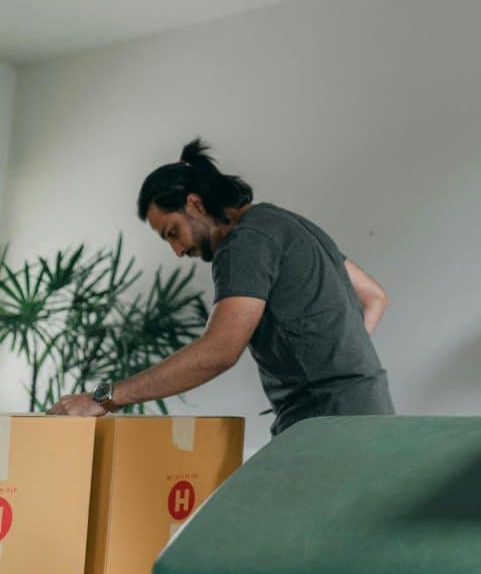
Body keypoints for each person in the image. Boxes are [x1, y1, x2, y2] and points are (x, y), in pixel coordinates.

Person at [49, 139, 395, 435]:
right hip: (369, 411)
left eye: (172, 232)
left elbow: (219, 351)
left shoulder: (244, 242)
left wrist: (102, 397)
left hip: (327, 424)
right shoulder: (286, 224)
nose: (178, 250)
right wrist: (338, 362)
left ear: (195, 205)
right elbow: (374, 296)